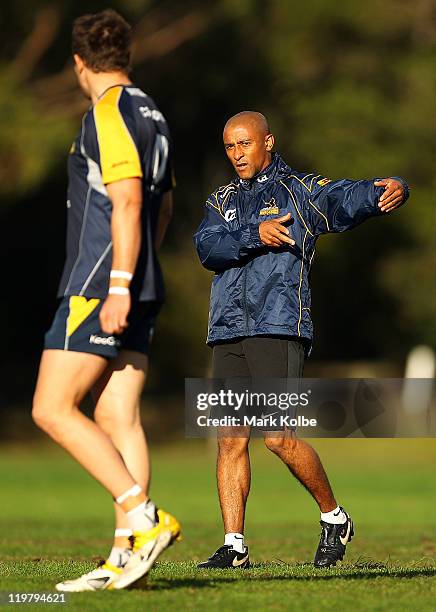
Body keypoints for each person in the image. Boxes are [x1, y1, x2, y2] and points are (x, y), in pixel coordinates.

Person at [194, 111, 409, 569]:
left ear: (268, 141)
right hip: (227, 328)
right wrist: (254, 234)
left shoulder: (299, 190)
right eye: (230, 147)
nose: (236, 155)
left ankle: (333, 517)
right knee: (230, 439)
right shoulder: (221, 199)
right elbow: (207, 247)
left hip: (278, 325)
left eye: (245, 144)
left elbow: (343, 197)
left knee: (277, 438)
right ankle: (234, 546)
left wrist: (386, 188)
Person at [32, 9, 180, 592]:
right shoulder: (155, 114)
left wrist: (118, 284)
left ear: (78, 63)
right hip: (138, 281)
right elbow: (163, 205)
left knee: (51, 407)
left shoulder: (109, 110)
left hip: (100, 287)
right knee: (118, 416)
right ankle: (128, 562)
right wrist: (140, 270)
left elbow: (127, 201)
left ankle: (141, 518)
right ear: (127, 56)